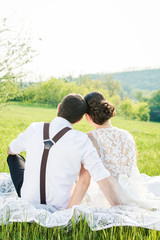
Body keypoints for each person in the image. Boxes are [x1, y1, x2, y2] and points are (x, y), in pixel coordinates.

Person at [7, 93, 121, 210]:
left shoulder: (34, 128)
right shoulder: (81, 140)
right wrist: (119, 208)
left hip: (28, 200)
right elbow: (101, 176)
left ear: (59, 107)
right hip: (61, 205)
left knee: (13, 157)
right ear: (79, 119)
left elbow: (11, 150)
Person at [79, 91, 160, 209]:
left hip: (109, 197)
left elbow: (85, 176)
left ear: (88, 116)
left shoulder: (90, 138)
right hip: (134, 192)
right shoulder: (127, 135)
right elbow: (133, 167)